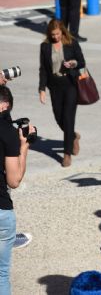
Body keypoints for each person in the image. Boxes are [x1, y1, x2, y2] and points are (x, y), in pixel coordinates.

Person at [0, 86, 34, 295]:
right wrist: (24, 147)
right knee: (1, 273)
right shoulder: (7, 133)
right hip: (1, 209)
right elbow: (14, 180)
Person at [38, 19, 85, 167]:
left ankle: (66, 154)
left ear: (62, 31)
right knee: (59, 118)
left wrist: (73, 63)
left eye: (58, 34)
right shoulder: (45, 47)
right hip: (55, 86)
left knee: (68, 118)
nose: (56, 37)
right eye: (53, 35)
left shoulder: (71, 43)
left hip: (70, 84)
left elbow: (82, 62)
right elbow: (43, 69)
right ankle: (73, 136)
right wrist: (42, 89)